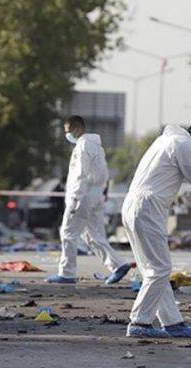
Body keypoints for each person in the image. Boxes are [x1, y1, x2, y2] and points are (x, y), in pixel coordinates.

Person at [122, 117, 191, 339]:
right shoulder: (184, 144)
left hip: (134, 205)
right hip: (148, 207)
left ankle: (172, 322)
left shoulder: (166, 140)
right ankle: (139, 321)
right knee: (159, 269)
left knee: (153, 270)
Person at [46, 115, 132, 285]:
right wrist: (103, 191)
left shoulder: (83, 146)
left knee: (68, 233)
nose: (67, 135)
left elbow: (80, 174)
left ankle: (67, 273)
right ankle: (118, 265)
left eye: (68, 132)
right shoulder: (97, 147)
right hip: (97, 194)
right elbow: (104, 172)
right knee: (93, 236)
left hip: (83, 196)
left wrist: (75, 199)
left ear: (77, 129)